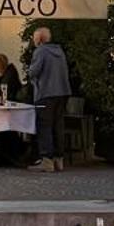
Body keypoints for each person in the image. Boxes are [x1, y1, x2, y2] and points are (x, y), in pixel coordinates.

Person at [28, 26, 72, 171]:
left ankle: (47, 161)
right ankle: (59, 160)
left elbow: (33, 71)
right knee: (58, 126)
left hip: (45, 94)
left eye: (34, 38)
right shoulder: (59, 51)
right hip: (62, 93)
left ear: (39, 39)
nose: (33, 41)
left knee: (44, 126)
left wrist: (31, 74)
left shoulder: (40, 51)